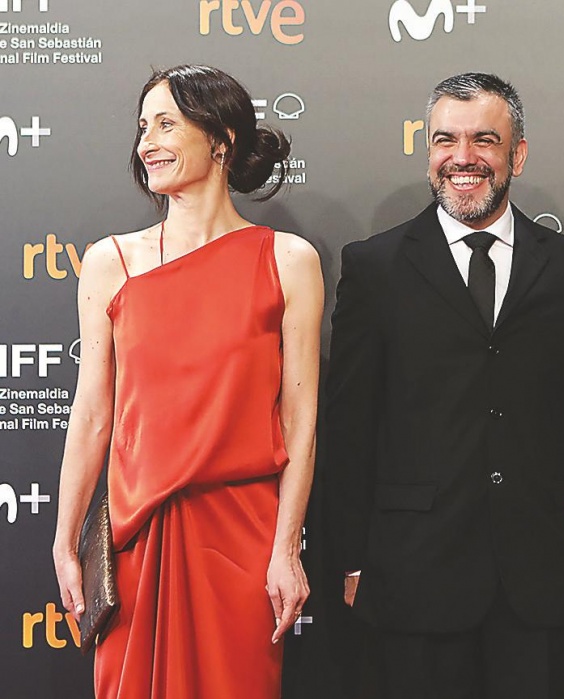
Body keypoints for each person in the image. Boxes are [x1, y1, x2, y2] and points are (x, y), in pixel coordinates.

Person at [325, 72, 564, 699]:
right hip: (412, 572)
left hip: (544, 573)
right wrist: (348, 559)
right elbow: (348, 426)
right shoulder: (375, 267)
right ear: (428, 151)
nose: (463, 158)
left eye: (484, 140)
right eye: (445, 140)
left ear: (517, 155)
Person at [51, 64, 323, 698]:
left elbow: (300, 421)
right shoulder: (110, 262)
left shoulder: (288, 260)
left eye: (166, 125)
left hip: (241, 542)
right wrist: (65, 541)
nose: (146, 142)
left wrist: (286, 549)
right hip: (135, 538)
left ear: (221, 140)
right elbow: (92, 414)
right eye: (143, 127)